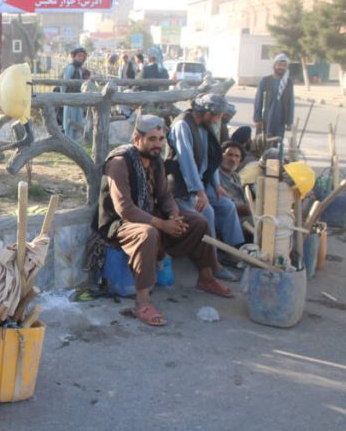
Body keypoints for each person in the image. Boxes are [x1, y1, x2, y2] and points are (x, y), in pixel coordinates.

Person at [94, 114, 234, 326]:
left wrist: (174, 217)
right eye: (152, 139)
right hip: (120, 224)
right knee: (148, 233)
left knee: (198, 221)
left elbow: (165, 195)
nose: (157, 144)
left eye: (160, 139)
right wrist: (162, 224)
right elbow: (126, 209)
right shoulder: (119, 163)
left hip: (152, 215)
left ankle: (206, 278)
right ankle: (142, 301)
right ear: (136, 139)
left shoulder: (156, 160)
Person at [165, 93, 244, 280]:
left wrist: (216, 185)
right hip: (182, 186)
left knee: (226, 205)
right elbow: (186, 162)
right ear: (208, 112)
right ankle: (211, 263)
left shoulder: (204, 126)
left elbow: (210, 158)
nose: (219, 120)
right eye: (218, 115)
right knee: (207, 212)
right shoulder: (183, 125)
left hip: (201, 182)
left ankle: (234, 252)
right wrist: (199, 192)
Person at [254, 53, 294, 142]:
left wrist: (289, 121)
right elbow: (258, 100)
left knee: (277, 144)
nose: (281, 67)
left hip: (280, 120)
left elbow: (291, 102)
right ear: (274, 65)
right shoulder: (265, 80)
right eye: (279, 64)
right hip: (265, 119)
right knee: (261, 142)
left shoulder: (288, 82)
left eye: (284, 65)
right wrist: (257, 118)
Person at [219, 141, 254, 235]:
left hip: (244, 216)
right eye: (229, 155)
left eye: (236, 156)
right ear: (221, 156)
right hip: (230, 219)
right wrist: (241, 209)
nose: (232, 159)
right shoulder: (216, 177)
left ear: (240, 160)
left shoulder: (235, 176)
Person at [61, 47, 87, 141]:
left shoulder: (79, 69)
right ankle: (69, 142)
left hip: (78, 99)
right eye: (79, 56)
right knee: (69, 122)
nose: (81, 58)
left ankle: (76, 142)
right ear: (74, 56)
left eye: (82, 56)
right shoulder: (70, 67)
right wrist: (62, 97)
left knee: (78, 121)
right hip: (70, 99)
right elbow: (65, 83)